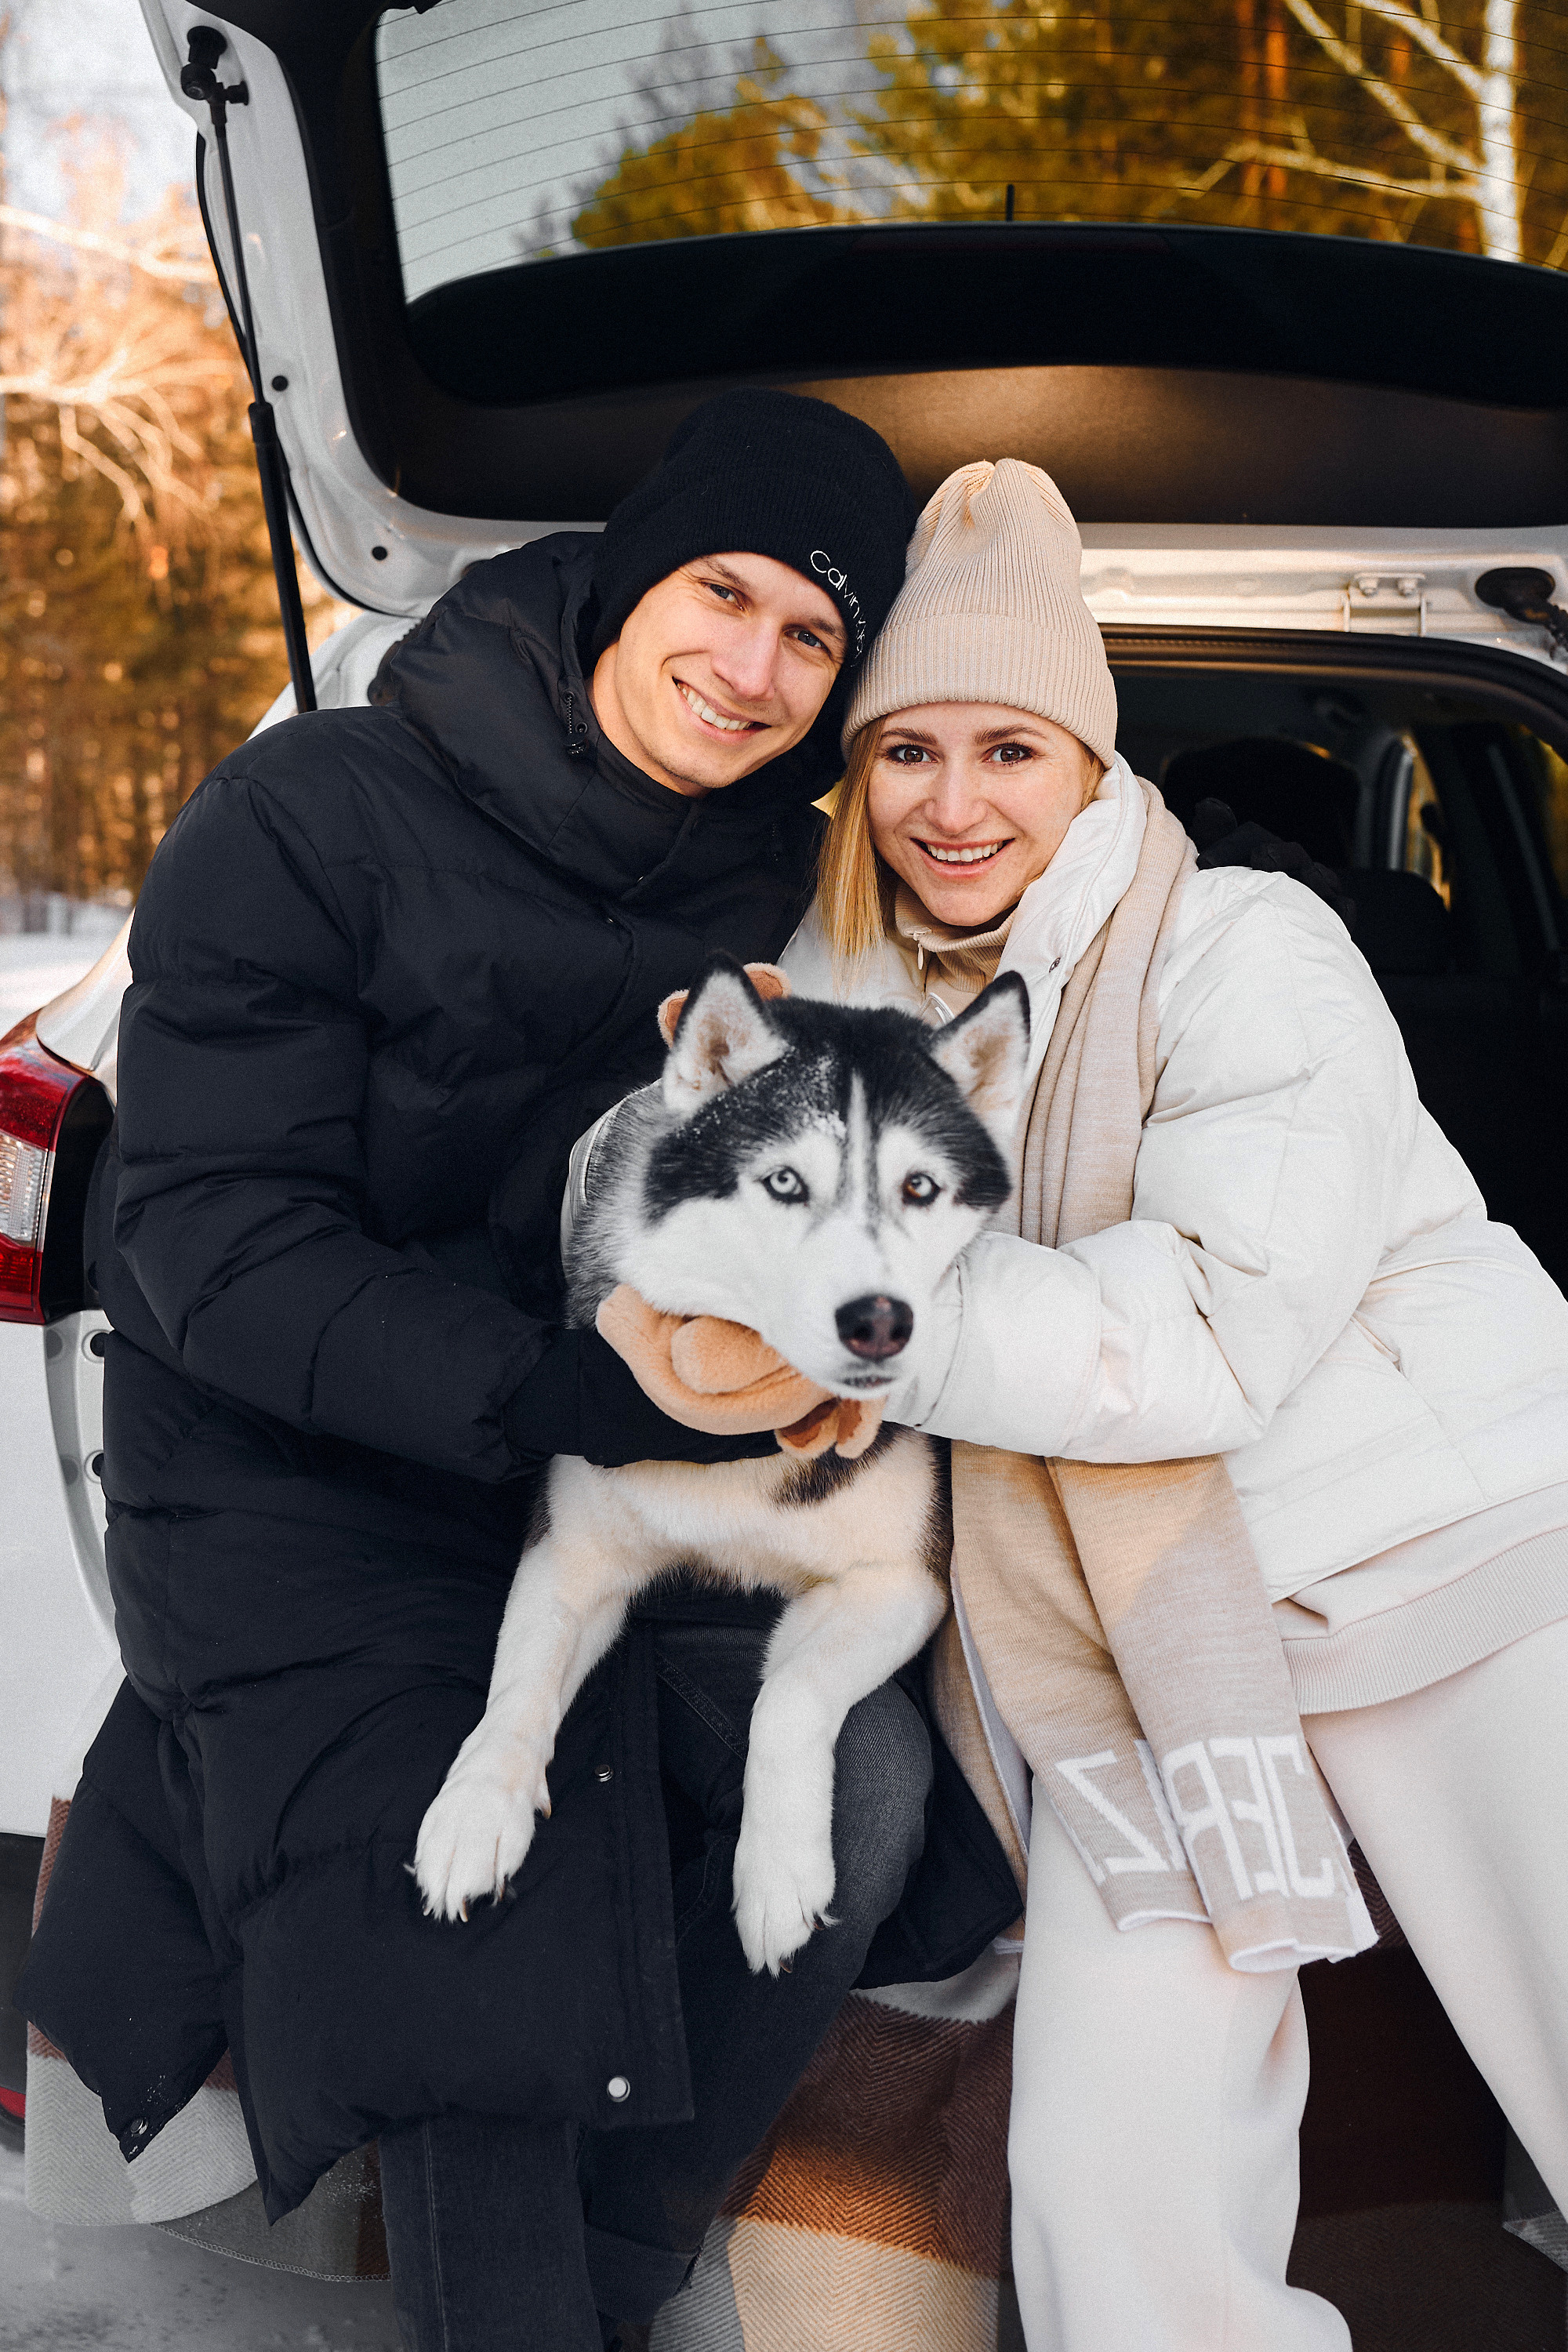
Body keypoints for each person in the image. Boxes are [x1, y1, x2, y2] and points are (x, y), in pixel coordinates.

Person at [20, 390, 1032, 2352]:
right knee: (472, 1916)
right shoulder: (308, 816)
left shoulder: (800, 893)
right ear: (627, 580)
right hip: (294, 1472)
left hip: (641, 1466)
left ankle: (629, 2257)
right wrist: (554, 1393)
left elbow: (1029, 887)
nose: (749, 668)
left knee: (881, 1798)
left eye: (811, 640)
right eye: (719, 594)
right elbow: (217, 1246)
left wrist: (1237, 858)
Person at [773, 457, 1568, 2350]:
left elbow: (1206, 1329)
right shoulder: (841, 1002)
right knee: (1106, 2189)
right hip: (1136, 1652)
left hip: (1439, 1550)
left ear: (1088, 764)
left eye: (1008, 750)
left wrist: (865, 1313)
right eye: (906, 754)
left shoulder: (1246, 951)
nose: (952, 805)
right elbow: (681, 1177)